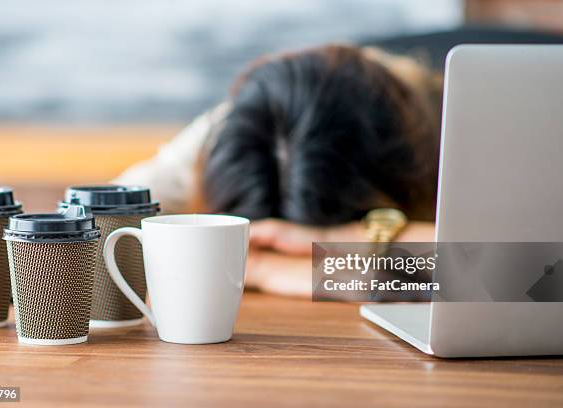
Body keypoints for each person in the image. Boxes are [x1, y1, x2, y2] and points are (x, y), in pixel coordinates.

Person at [114, 44, 442, 297]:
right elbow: (89, 245)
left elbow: (486, 268)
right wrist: (262, 267)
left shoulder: (452, 127)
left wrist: (339, 244)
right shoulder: (225, 137)